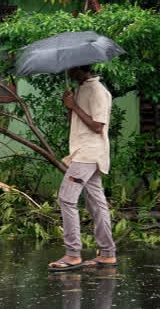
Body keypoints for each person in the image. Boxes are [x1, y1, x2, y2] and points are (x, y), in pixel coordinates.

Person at [48, 66, 116, 271]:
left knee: (66, 198)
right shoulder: (82, 88)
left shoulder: (97, 91)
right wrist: (69, 106)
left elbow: (98, 126)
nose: (68, 70)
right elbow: (76, 123)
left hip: (89, 155)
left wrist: (75, 106)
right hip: (83, 153)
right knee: (96, 202)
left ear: (82, 67)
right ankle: (107, 254)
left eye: (72, 68)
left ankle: (73, 254)